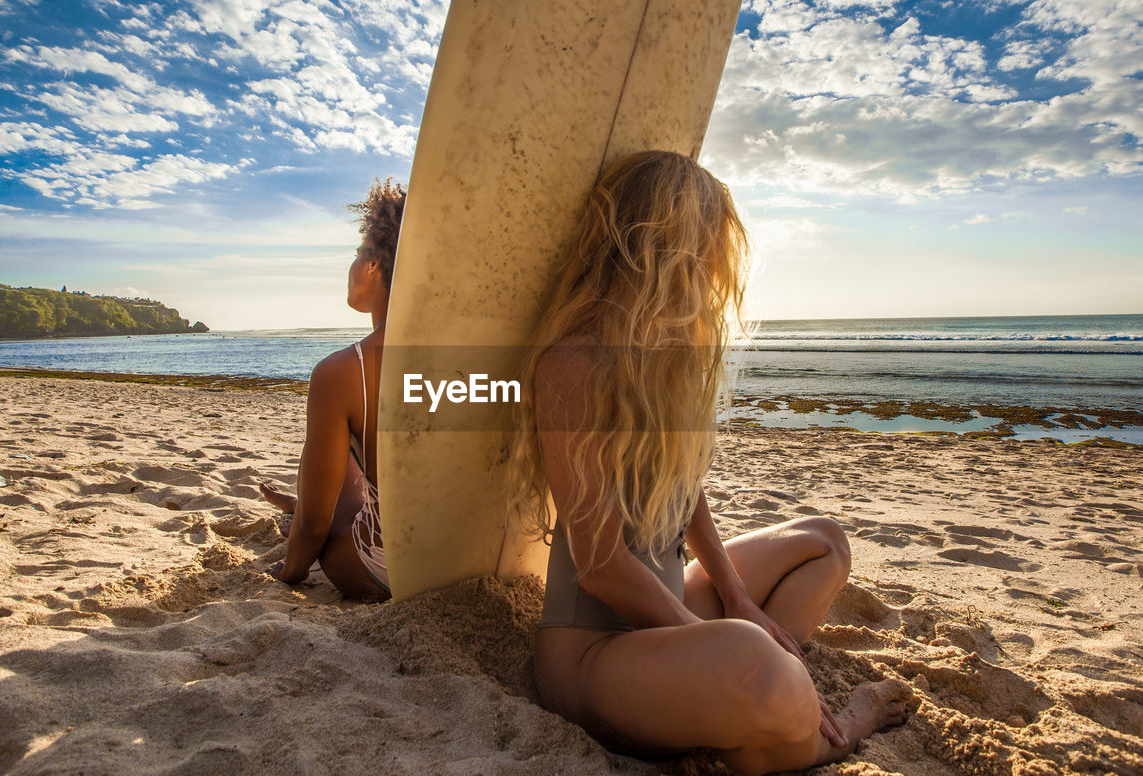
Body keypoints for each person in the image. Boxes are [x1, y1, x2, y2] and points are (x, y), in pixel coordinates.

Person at [505, 151, 912, 775]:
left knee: (823, 543)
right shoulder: (574, 364)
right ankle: (838, 727)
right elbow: (601, 567)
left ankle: (746, 702)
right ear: (659, 248)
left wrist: (735, 596)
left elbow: (683, 491)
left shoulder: (666, 363)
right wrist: (708, 632)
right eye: (705, 249)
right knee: (761, 670)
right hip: (592, 655)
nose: (713, 269)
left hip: (670, 614)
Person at [261, 179, 405, 601]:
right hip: (474, 558)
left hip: (389, 572)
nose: (355, 263)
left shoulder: (342, 371)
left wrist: (289, 570)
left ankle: (302, 502)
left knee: (327, 460)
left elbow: (315, 531)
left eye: (359, 252)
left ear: (374, 265)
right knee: (346, 453)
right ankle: (302, 501)